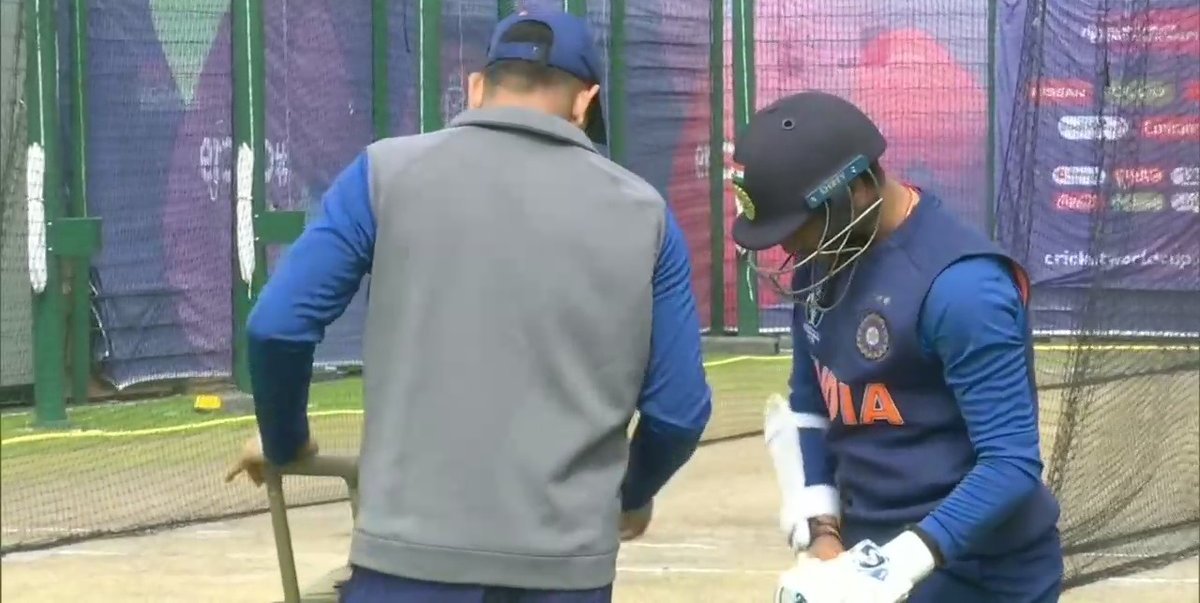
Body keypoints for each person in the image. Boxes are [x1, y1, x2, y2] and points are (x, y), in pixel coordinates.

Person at [224, 9, 712, 603]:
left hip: (405, 564)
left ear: (478, 89)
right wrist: (630, 496)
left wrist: (285, 443)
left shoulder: (383, 173)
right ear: (586, 103)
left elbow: (277, 326)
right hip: (566, 572)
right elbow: (679, 412)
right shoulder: (648, 217)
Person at [730, 91, 1062, 602]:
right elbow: (811, 405)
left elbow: (1010, 464)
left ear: (857, 190)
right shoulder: (822, 257)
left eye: (797, 227)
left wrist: (891, 567)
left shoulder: (963, 288)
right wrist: (824, 539)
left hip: (980, 574)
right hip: (867, 558)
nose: (789, 248)